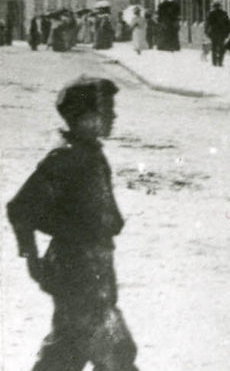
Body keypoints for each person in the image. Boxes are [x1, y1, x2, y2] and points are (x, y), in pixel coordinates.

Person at [6, 76, 140, 371]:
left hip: (91, 270)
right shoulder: (66, 158)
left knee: (67, 351)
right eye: (107, 111)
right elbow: (21, 208)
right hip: (78, 272)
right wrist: (31, 257)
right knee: (116, 352)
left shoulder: (88, 152)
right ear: (85, 118)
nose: (113, 116)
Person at [205, 0, 230, 67]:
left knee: (215, 47)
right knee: (221, 47)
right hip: (220, 33)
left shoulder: (212, 13)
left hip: (216, 33)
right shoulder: (222, 13)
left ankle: (216, 62)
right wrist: (228, 32)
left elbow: (207, 24)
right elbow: (228, 23)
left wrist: (207, 32)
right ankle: (219, 61)